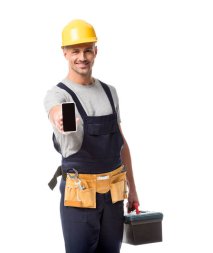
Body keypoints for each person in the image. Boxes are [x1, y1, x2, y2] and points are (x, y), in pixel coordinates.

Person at [44, 19, 139, 253]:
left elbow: (121, 144)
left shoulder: (110, 92)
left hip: (114, 196)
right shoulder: (58, 94)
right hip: (80, 198)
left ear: (96, 51)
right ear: (64, 53)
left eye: (88, 50)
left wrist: (133, 190)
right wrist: (59, 118)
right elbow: (54, 109)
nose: (82, 57)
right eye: (75, 51)